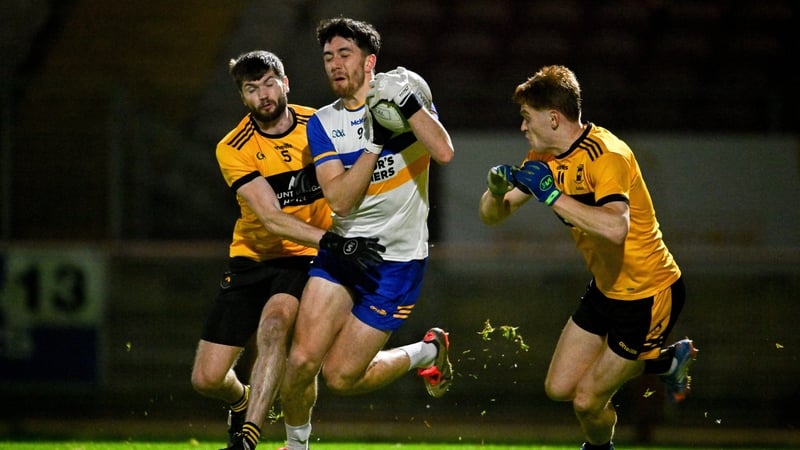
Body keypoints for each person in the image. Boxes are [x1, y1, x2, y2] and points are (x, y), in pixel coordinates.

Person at [478, 65, 698, 450]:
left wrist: (551, 197)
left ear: (553, 118)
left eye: (526, 118)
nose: (522, 127)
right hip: (606, 288)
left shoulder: (608, 154)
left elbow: (615, 228)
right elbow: (493, 216)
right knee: (558, 388)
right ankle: (664, 363)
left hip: (648, 293)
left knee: (586, 402)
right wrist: (495, 191)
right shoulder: (544, 156)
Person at [189, 50, 385, 450]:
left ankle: (248, 438)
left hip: (306, 256)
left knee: (276, 326)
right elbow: (272, 218)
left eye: (268, 82)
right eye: (251, 88)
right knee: (207, 380)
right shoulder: (233, 147)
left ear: (285, 82)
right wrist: (338, 242)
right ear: (242, 98)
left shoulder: (321, 124)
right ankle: (242, 401)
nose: (262, 94)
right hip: (253, 258)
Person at [277, 17, 456, 450]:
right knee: (301, 360)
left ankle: (427, 352)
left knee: (341, 376)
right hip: (343, 252)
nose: (335, 64)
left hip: (395, 264)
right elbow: (339, 200)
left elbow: (444, 152)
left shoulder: (403, 94)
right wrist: (375, 142)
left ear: (369, 61)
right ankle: (295, 446)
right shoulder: (323, 123)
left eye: (344, 54)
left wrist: (409, 108)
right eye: (327, 58)